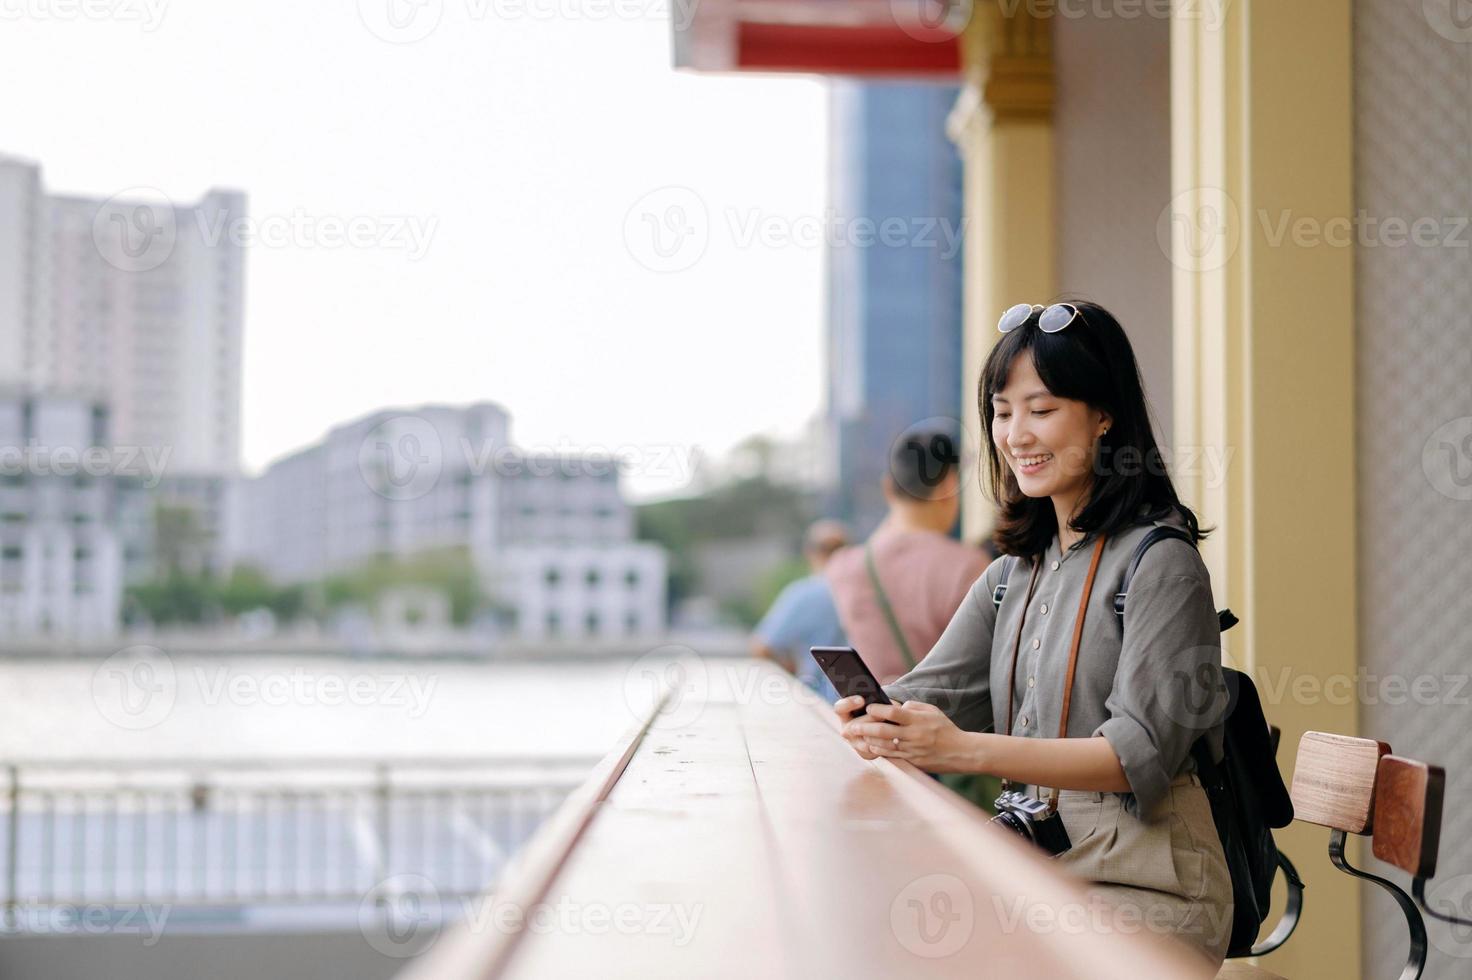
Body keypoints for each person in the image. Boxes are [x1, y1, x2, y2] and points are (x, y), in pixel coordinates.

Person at [835, 301, 1234, 965]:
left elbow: (1134, 755)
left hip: (1147, 890)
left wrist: (964, 751)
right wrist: (869, 717)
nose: (1016, 433)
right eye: (1001, 410)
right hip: (1038, 876)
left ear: (1104, 415)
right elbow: (921, 694)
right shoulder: (1012, 574)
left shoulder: (1161, 561)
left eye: (1041, 409)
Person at [823, 430, 990, 686]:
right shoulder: (969, 566)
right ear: (948, 485)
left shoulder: (843, 567)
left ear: (888, 488)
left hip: (876, 720)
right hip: (943, 721)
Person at [750, 520, 849, 701]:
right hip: (861, 698)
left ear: (809, 552)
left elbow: (761, 646)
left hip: (818, 700)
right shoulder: (867, 592)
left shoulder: (803, 594)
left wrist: (789, 670)